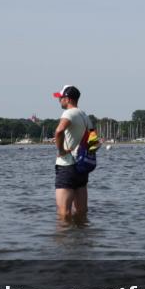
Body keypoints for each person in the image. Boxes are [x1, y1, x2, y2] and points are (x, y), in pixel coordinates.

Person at [53, 85, 92, 222]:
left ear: (68, 99)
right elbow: (94, 141)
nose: (59, 101)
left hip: (67, 166)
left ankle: (65, 242)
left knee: (64, 213)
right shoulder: (84, 115)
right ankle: (81, 241)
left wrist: (61, 151)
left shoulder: (68, 114)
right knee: (81, 211)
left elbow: (59, 131)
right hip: (82, 167)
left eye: (61, 98)